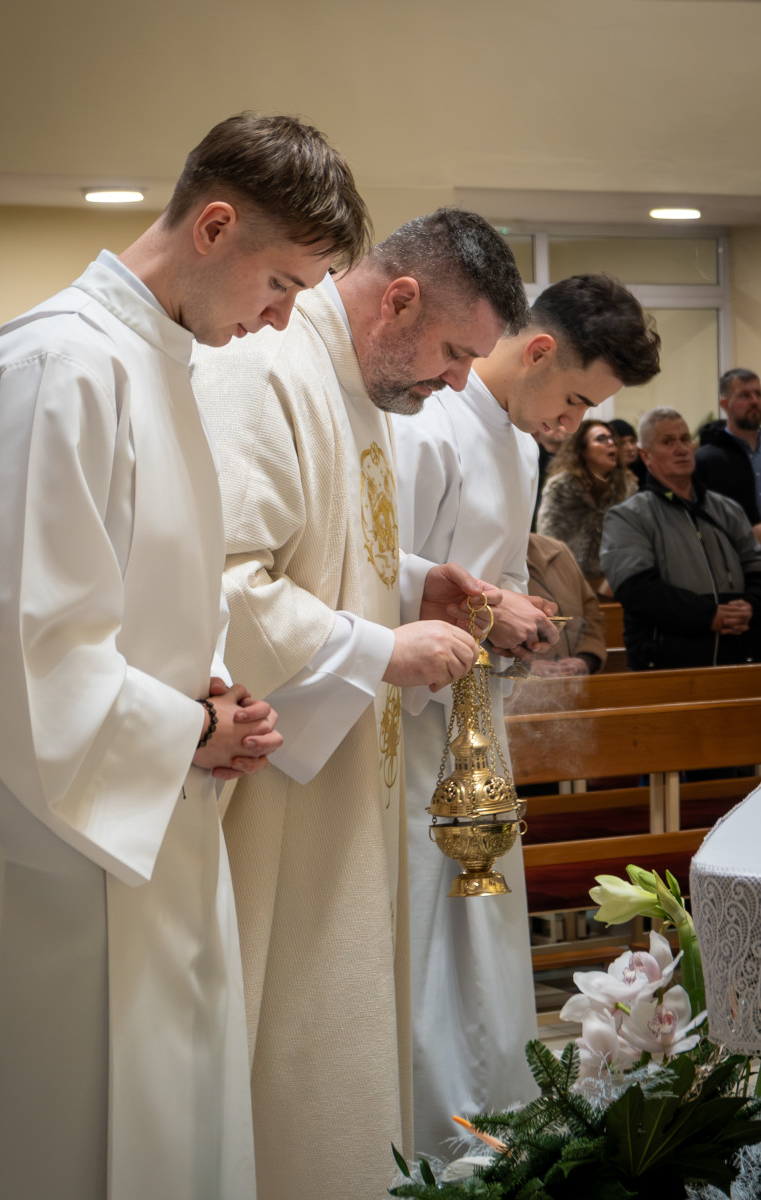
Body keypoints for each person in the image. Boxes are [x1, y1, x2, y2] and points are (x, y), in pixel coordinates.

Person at [0, 112, 371, 1200]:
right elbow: (12, 648)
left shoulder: (154, 359)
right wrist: (189, 727)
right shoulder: (57, 364)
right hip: (43, 861)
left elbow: (139, 590)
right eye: (282, 284)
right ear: (214, 226)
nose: (280, 318)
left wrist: (206, 685)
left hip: (140, 823)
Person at [192, 208, 537, 1200]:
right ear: (400, 300)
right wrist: (384, 648)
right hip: (274, 782)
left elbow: (332, 551)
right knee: (292, 1048)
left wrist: (416, 584)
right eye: (455, 352)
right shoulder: (268, 371)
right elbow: (226, 589)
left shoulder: (365, 390)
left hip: (348, 769)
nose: (460, 382)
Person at [393, 273, 660, 1155]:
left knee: (486, 935)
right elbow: (372, 573)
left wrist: (520, 612)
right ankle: (434, 1144)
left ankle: (502, 1129)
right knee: (430, 946)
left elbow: (498, 575)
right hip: (408, 731)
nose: (573, 423)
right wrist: (486, 610)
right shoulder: (427, 420)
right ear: (538, 350)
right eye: (575, 400)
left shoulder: (516, 442)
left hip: (477, 719)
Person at [601, 406, 761, 670]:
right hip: (667, 664)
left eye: (685, 439)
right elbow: (637, 590)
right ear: (646, 455)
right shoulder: (628, 516)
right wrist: (709, 615)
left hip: (736, 656)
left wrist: (750, 606)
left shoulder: (727, 509)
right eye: (668, 442)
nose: (681, 449)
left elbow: (755, 567)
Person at [537, 418, 638, 595]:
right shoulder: (562, 486)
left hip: (614, 581)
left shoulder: (626, 486)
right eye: (601, 439)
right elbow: (547, 540)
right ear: (582, 450)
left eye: (612, 438)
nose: (611, 443)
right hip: (566, 582)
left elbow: (633, 539)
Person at [526, 533, 607, 675]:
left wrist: (585, 659)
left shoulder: (558, 550)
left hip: (577, 683)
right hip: (513, 687)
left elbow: (591, 615)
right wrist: (523, 669)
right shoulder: (486, 557)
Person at [694, 368, 761, 539]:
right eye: (744, 395)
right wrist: (748, 535)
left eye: (758, 394)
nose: (755, 401)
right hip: (734, 552)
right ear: (724, 405)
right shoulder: (704, 460)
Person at [609, 416, 646, 490]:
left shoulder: (645, 468)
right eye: (622, 443)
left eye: (632, 441)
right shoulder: (606, 476)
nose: (630, 448)